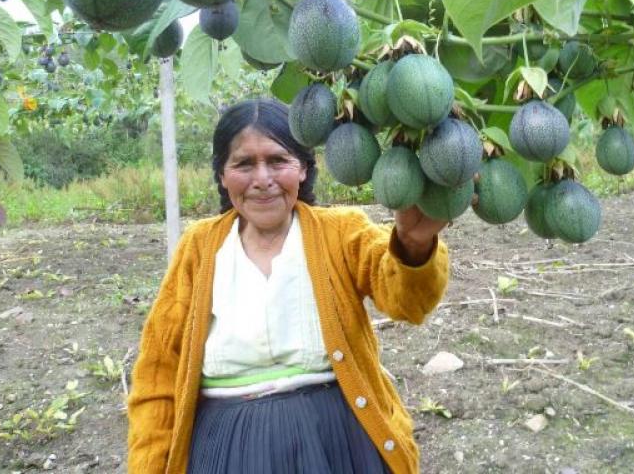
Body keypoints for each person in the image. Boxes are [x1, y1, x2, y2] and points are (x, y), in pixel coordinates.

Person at [127, 98, 450, 474]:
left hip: (336, 440)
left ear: (303, 169)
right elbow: (158, 373)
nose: (262, 179)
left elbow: (407, 302)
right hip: (227, 449)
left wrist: (412, 245)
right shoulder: (199, 248)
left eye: (278, 161)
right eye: (244, 164)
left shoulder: (340, 231)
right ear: (221, 175)